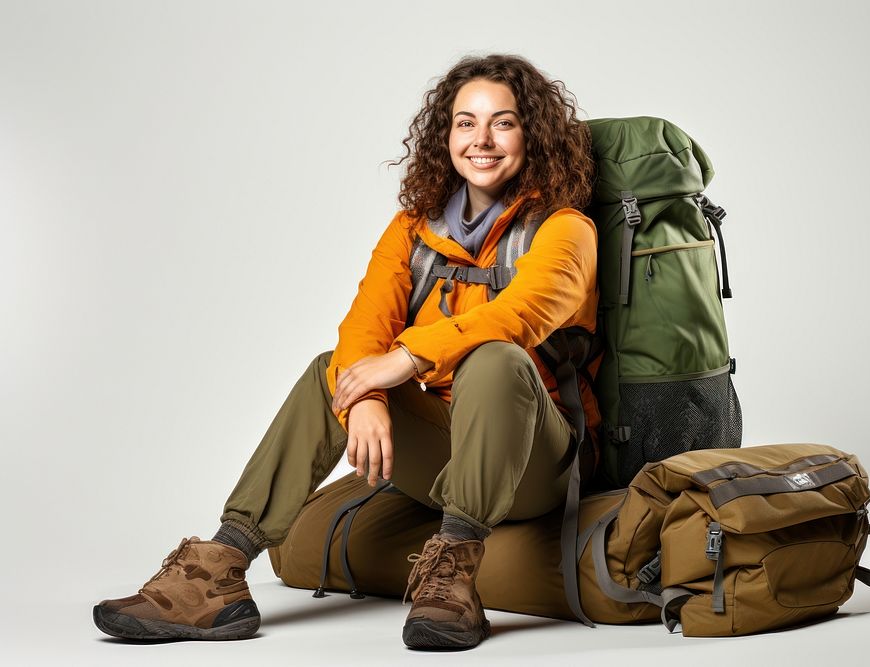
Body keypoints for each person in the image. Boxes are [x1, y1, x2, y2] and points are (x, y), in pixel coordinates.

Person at [93, 53, 599, 650]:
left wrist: (404, 359)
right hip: (444, 447)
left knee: (494, 357)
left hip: (535, 463)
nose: (481, 140)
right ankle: (220, 573)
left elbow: (520, 314)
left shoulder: (565, 229)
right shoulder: (414, 227)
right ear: (446, 134)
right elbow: (365, 323)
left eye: (503, 123)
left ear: (532, 135)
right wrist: (365, 394)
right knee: (327, 372)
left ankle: (453, 573)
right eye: (465, 122)